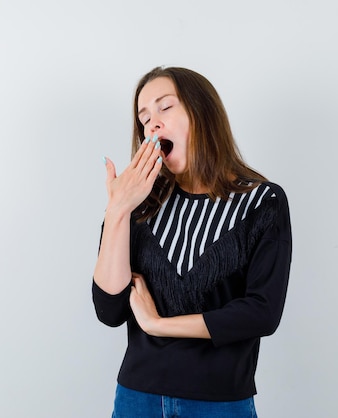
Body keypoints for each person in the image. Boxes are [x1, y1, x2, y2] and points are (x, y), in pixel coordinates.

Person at [92, 66, 292, 418]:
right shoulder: (140, 206)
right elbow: (110, 310)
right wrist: (118, 211)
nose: (151, 124)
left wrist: (158, 325)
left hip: (219, 403)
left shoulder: (262, 202)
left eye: (164, 107)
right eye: (143, 117)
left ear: (202, 112)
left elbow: (262, 313)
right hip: (137, 399)